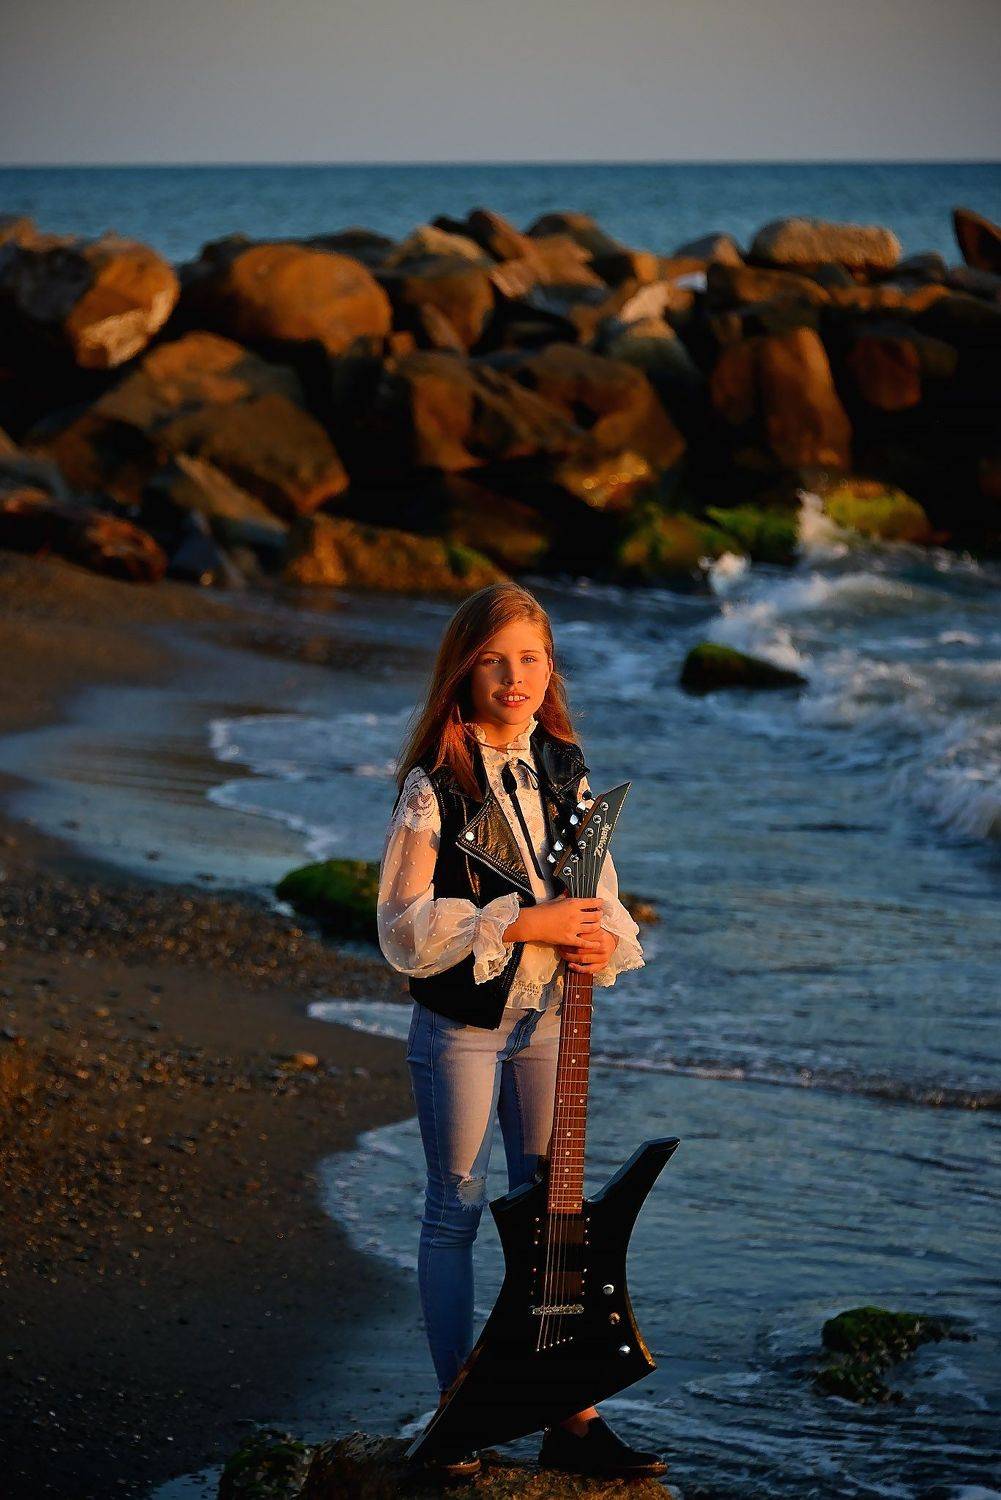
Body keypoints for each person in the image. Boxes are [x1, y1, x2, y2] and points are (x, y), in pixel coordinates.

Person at [376, 580, 667, 1480]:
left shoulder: (564, 766)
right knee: (456, 1208)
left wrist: (599, 934)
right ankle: (455, 1415)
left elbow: (597, 885)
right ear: (463, 671)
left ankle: (568, 1415)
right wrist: (520, 924)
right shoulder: (436, 784)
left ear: (550, 669)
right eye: (494, 660)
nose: (514, 676)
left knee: (553, 1211)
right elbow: (402, 926)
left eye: (530, 659)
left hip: (548, 1020)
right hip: (461, 1025)